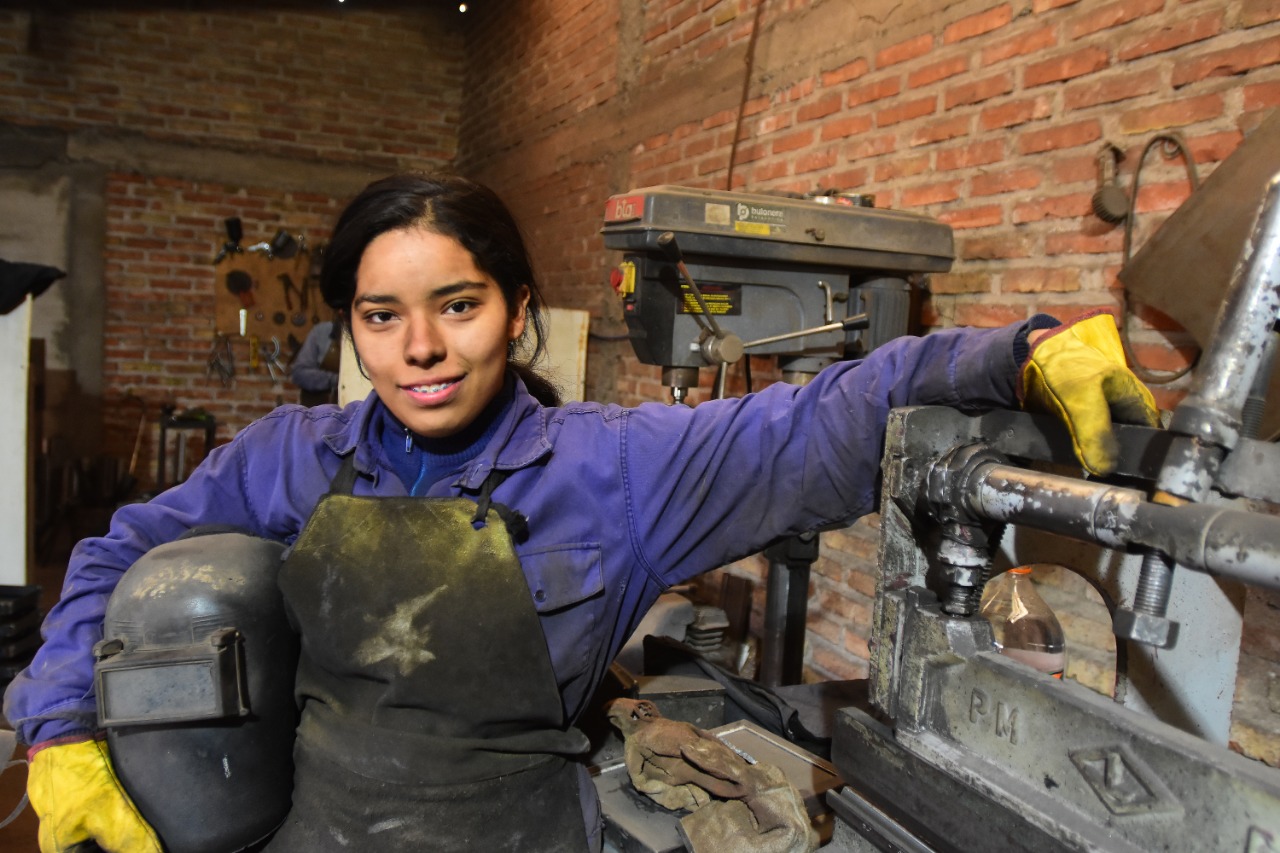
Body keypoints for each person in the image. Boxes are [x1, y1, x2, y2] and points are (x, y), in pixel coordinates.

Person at [4, 173, 1158, 853]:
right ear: (348, 330)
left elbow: (825, 418)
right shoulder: (291, 459)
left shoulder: (616, 468)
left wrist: (1018, 352)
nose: (417, 349)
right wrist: (58, 728)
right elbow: (122, 551)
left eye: (455, 305)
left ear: (514, 311)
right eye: (378, 315)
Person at [290, 316, 341, 406]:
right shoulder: (322, 332)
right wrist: (336, 380)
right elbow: (299, 374)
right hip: (317, 413)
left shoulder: (368, 337)